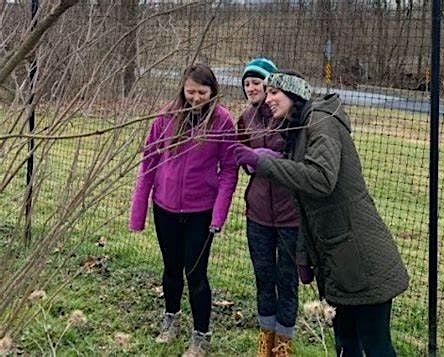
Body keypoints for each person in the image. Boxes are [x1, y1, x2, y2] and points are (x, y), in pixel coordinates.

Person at [230, 71, 409, 357]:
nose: (268, 99)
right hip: (336, 259)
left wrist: (262, 162)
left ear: (294, 95)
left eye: (275, 92)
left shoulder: (320, 121)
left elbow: (321, 178)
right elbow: (305, 205)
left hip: (359, 256)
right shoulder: (298, 129)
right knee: (345, 343)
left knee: (375, 346)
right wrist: (304, 256)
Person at [129, 63, 238, 357]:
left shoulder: (222, 122)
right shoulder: (166, 117)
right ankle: (171, 318)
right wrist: (138, 212)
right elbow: (149, 162)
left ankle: (201, 336)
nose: (196, 98)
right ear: (182, 89)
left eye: (202, 92)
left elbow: (229, 171)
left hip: (200, 212)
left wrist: (218, 215)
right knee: (170, 269)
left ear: (212, 91)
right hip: (164, 208)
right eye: (190, 92)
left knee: (196, 274)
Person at [237, 58, 299, 357]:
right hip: (258, 212)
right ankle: (266, 341)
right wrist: (248, 162)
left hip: (289, 214)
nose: (252, 88)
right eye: (247, 84)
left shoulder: (287, 116)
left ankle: (283, 345)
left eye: (257, 83)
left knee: (286, 279)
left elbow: (298, 160)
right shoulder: (245, 118)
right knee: (264, 277)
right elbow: (238, 151)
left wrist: (264, 159)